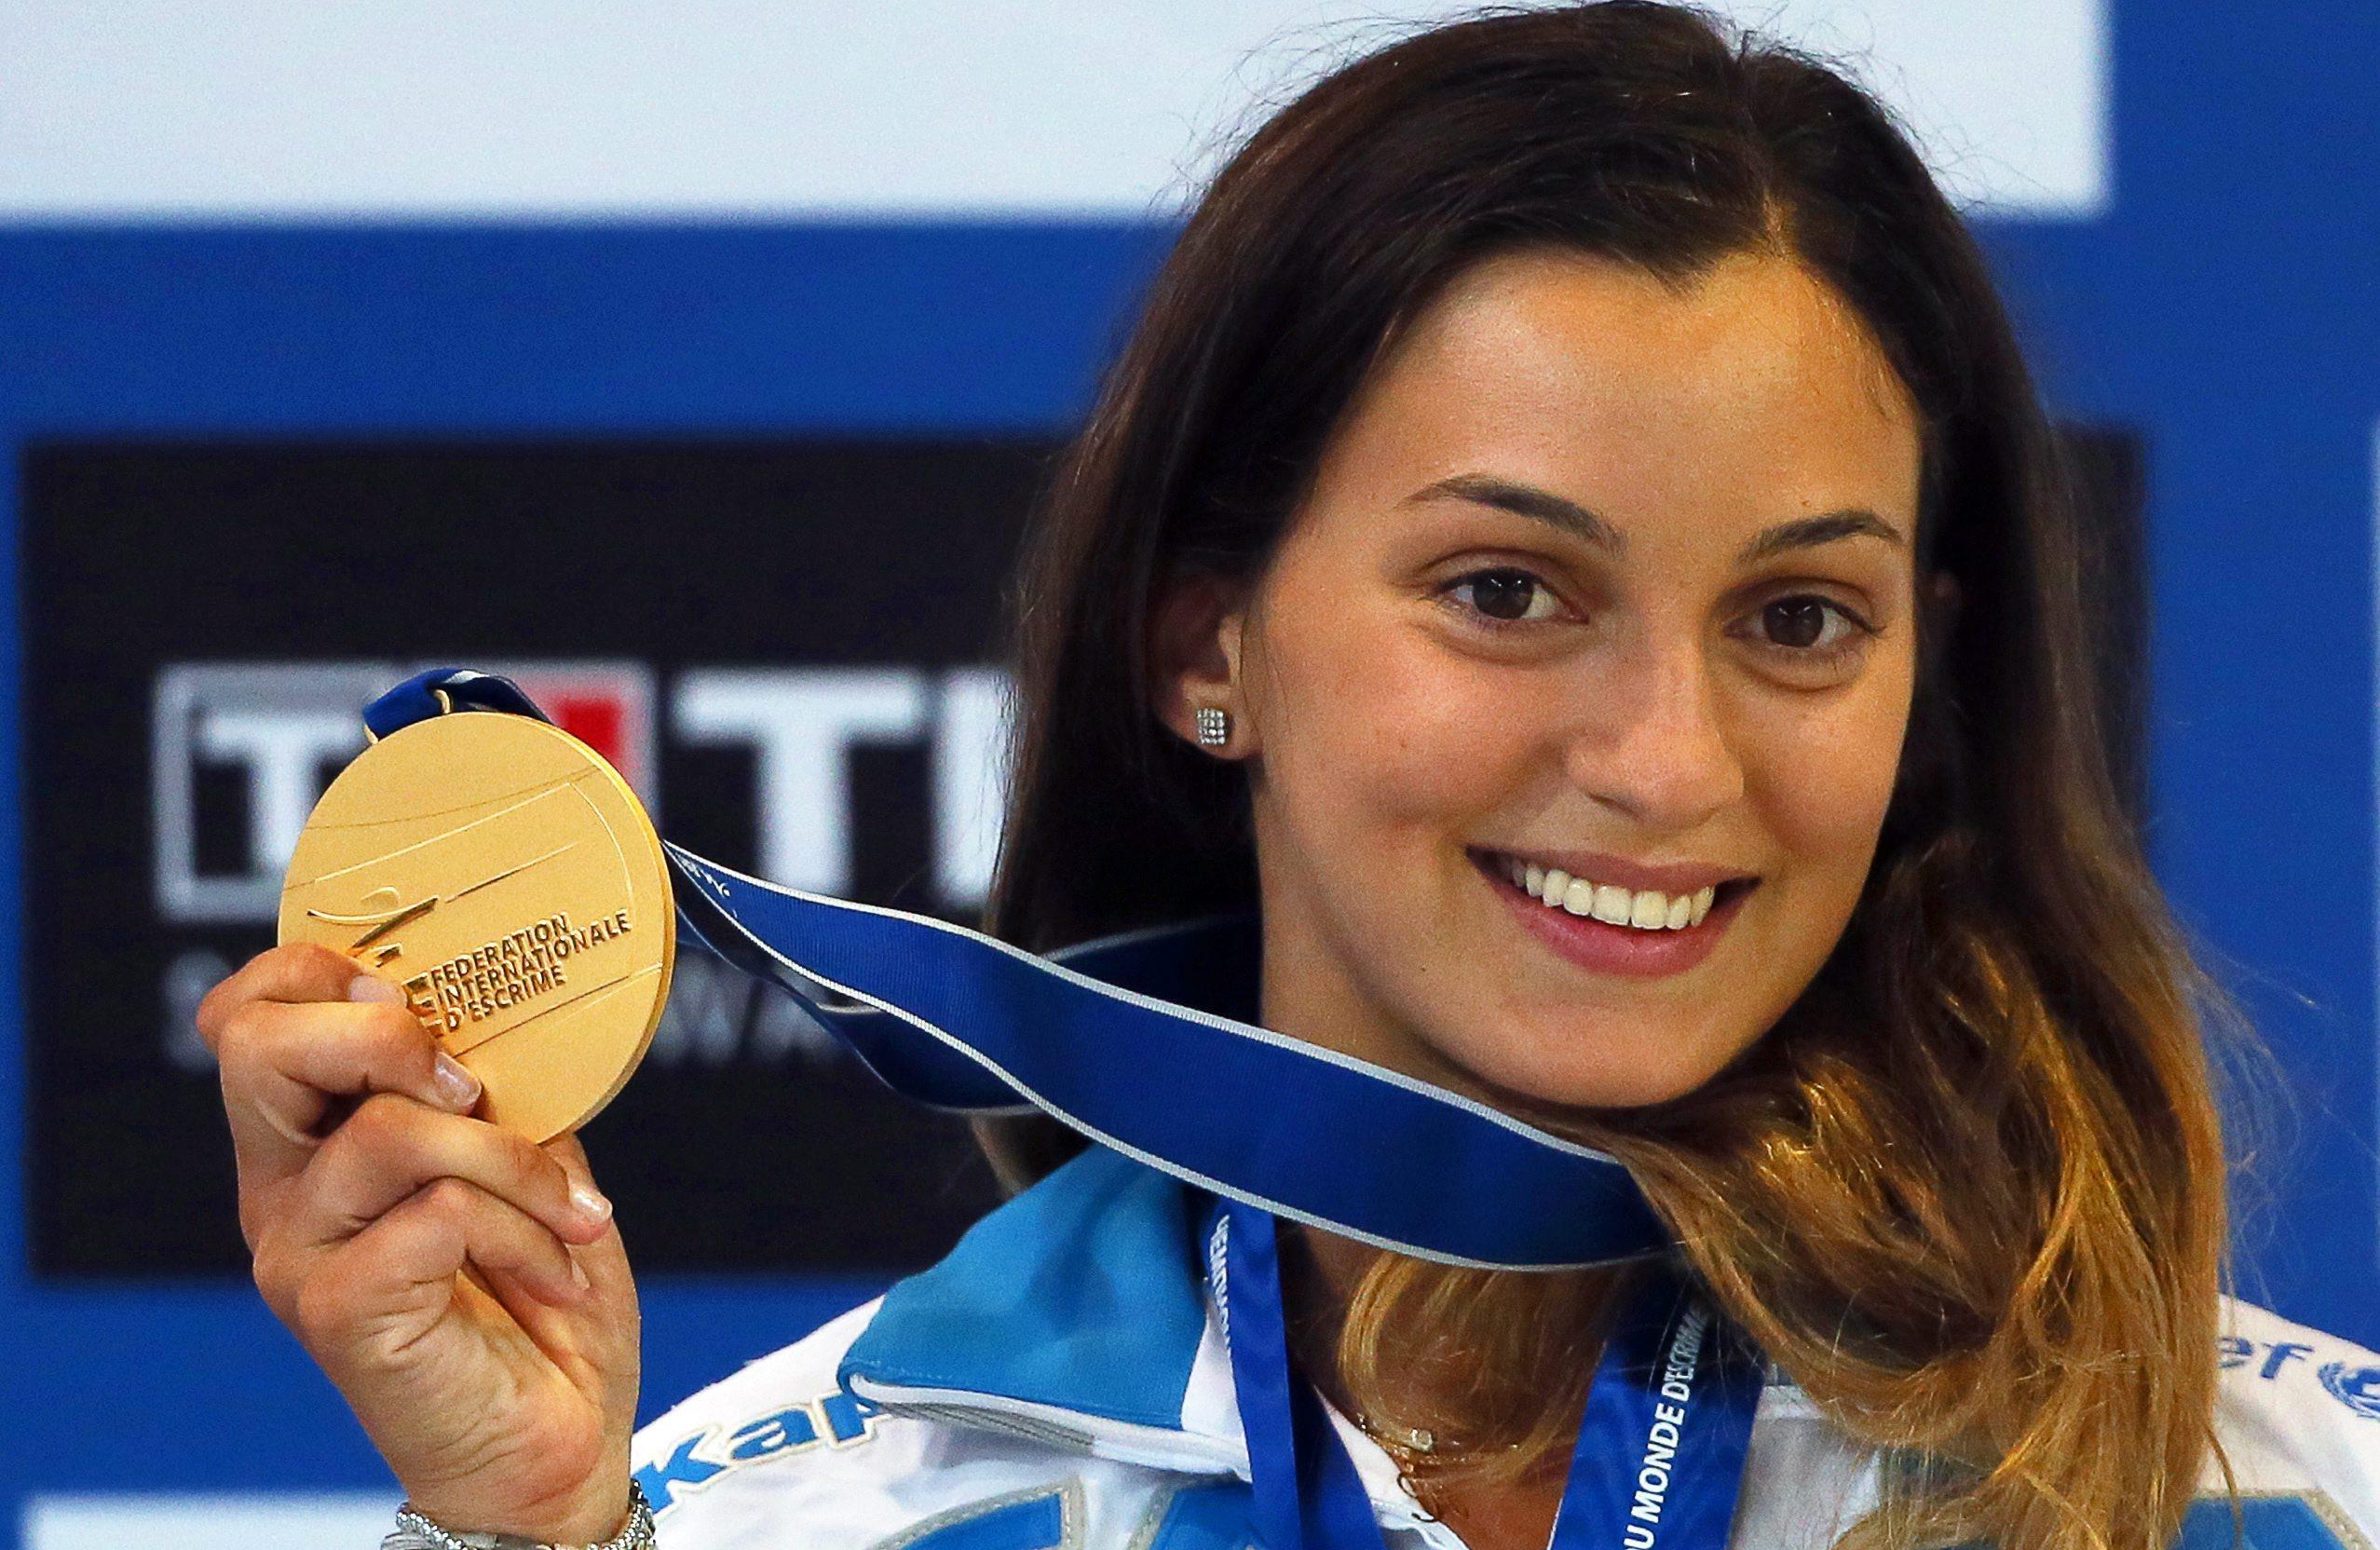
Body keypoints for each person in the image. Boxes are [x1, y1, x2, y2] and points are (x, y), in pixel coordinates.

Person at [196, 5, 2380, 1549]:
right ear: (1203, 640)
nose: (1665, 758)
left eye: (1799, 618)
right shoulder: (796, 1512)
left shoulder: (2286, 1491)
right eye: (1507, 590)